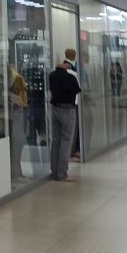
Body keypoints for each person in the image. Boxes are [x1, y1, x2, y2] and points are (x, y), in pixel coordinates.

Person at [49, 49, 81, 182]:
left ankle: (54, 171)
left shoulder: (52, 76)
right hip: (67, 110)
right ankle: (62, 173)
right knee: (66, 141)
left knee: (56, 140)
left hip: (55, 109)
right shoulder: (71, 77)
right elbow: (77, 90)